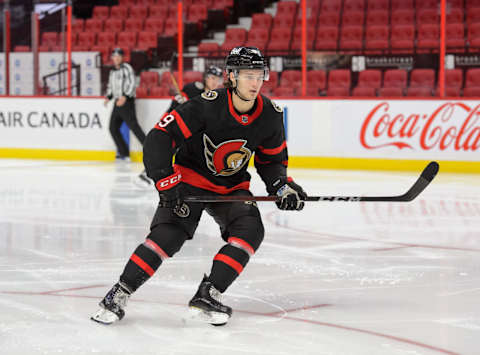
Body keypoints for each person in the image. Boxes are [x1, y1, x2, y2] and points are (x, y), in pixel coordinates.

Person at [91, 47, 307, 326]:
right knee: (168, 236)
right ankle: (118, 294)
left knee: (251, 230)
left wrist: (281, 186)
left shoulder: (270, 114)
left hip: (231, 188)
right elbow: (159, 137)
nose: (255, 83)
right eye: (247, 76)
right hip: (189, 182)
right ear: (231, 76)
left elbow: (272, 161)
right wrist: (165, 181)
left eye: (259, 76)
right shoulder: (207, 104)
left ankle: (208, 293)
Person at [136, 66, 223, 186]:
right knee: (165, 149)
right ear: (205, 78)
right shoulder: (193, 88)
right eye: (212, 78)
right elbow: (175, 107)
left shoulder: (214, 96)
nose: (215, 82)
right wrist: (184, 106)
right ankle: (150, 172)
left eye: (217, 80)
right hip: (175, 124)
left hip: (189, 129)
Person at [105, 48, 146, 160]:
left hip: (126, 102)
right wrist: (108, 97)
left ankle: (149, 150)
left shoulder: (127, 68)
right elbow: (111, 86)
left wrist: (125, 96)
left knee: (134, 127)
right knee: (112, 128)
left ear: (122, 58)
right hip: (117, 102)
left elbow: (132, 83)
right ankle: (123, 152)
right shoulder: (112, 71)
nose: (116, 58)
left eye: (118, 56)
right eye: (114, 56)